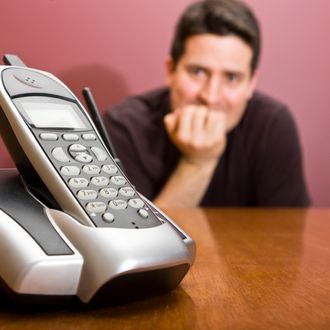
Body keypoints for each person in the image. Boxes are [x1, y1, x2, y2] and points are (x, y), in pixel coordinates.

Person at [103, 0, 310, 208]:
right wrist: (198, 162)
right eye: (198, 72)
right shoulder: (124, 127)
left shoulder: (272, 126)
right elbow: (140, 239)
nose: (211, 97)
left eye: (231, 77)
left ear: (251, 84)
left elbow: (289, 235)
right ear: (170, 71)